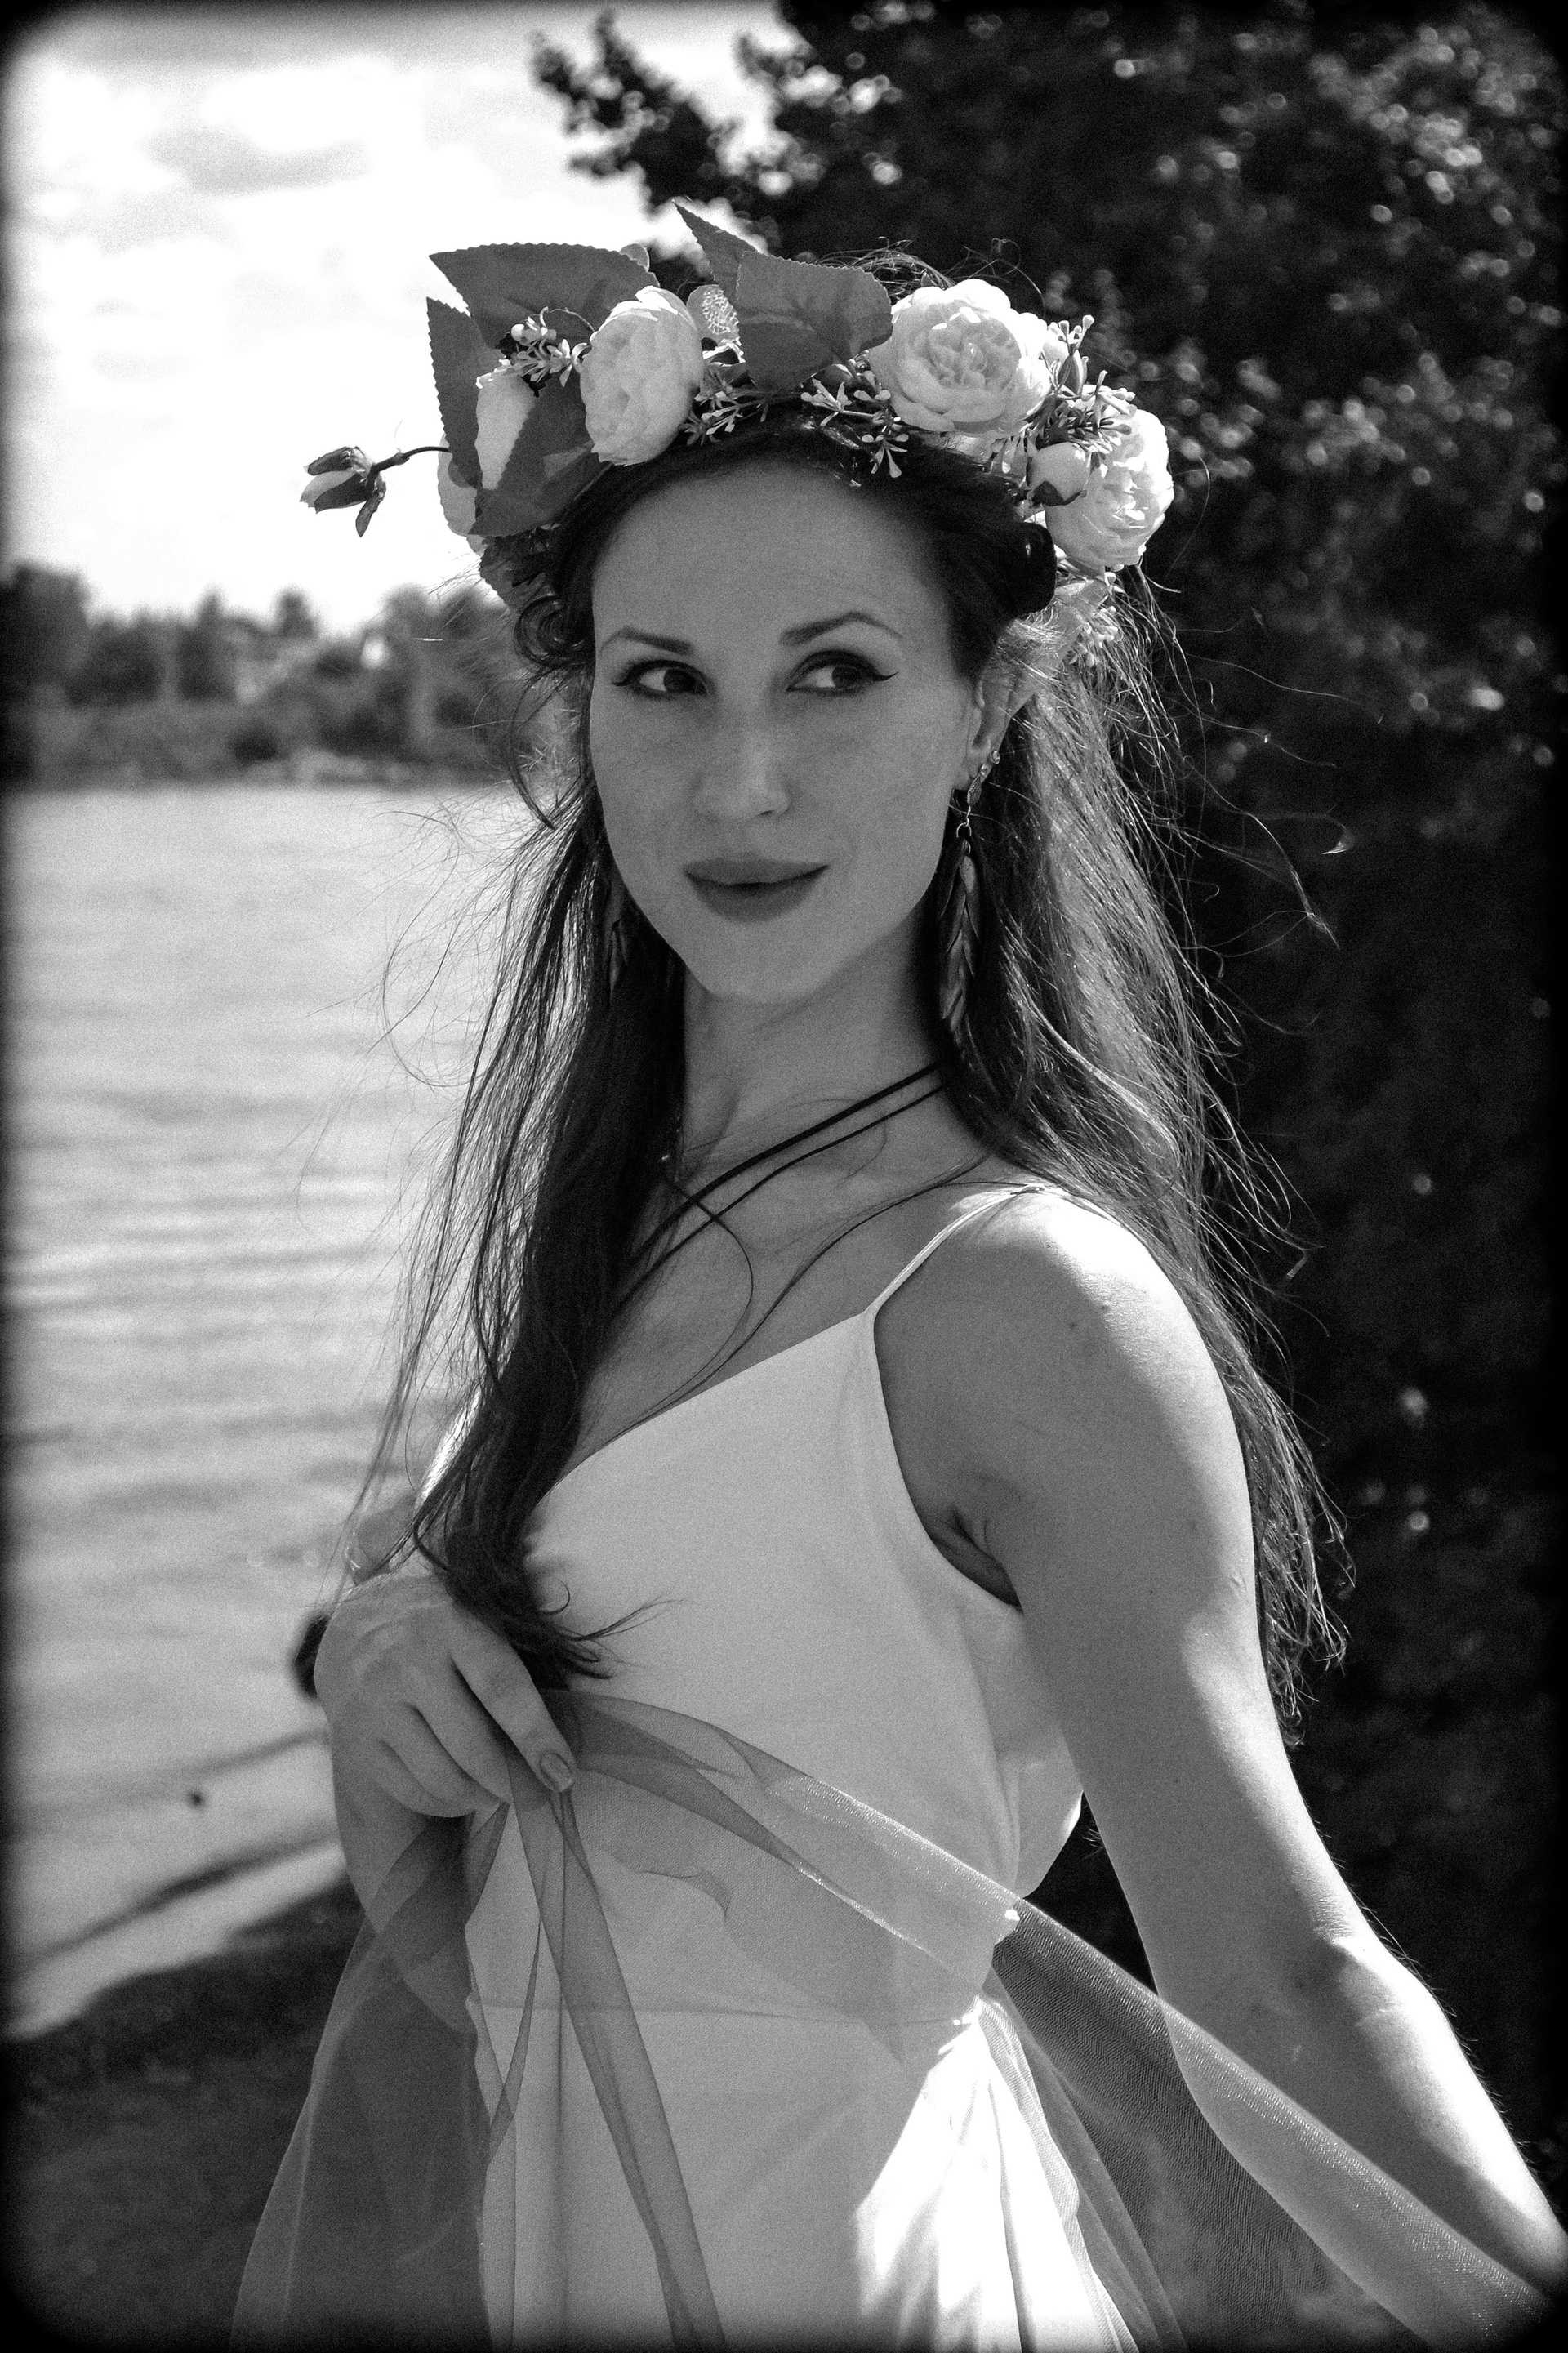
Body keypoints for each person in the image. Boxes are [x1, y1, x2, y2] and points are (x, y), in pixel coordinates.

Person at [241, 219, 1566, 2347]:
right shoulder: (610, 1233)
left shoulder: (1024, 1309)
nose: (740, 781)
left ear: (988, 707)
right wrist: (386, 1700)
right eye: (665, 679)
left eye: (838, 673)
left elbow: (1287, 1977)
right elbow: (474, 1976)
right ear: (582, 711)